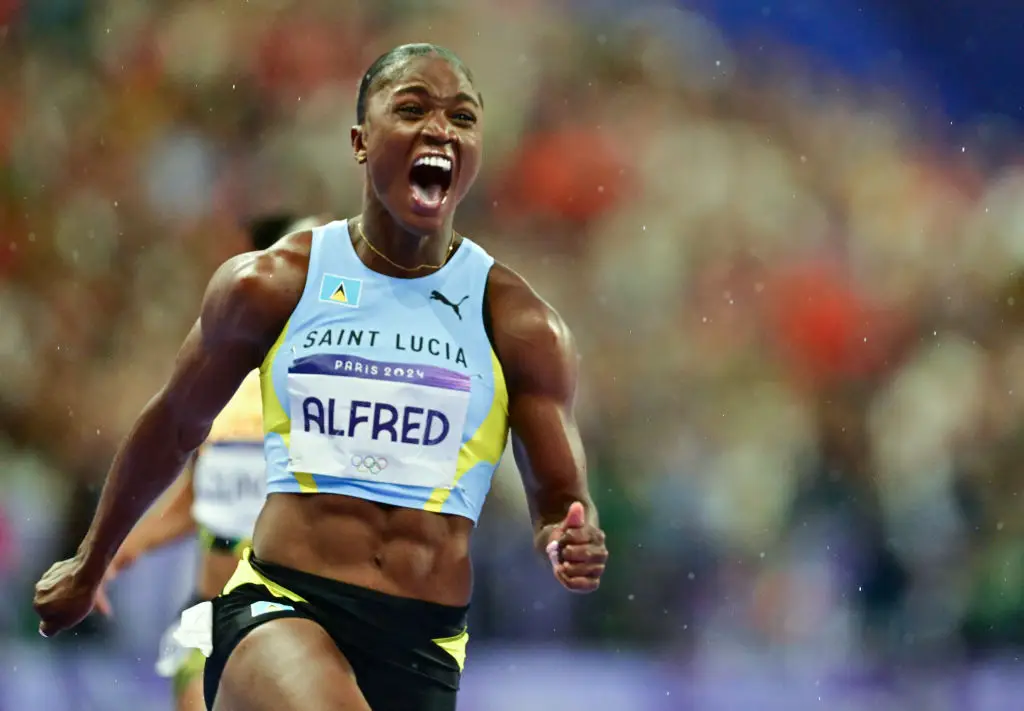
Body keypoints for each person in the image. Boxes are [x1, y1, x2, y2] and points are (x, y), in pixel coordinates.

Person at [34, 43, 608, 711]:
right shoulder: (275, 284)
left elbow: (559, 502)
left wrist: (571, 539)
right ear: (361, 142)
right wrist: (89, 560)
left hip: (423, 648)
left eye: (463, 117)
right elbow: (173, 426)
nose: (440, 130)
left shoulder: (519, 323)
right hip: (277, 609)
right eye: (413, 109)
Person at [92, 214, 322, 711]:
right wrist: (116, 551)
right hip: (207, 612)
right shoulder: (219, 386)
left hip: (293, 621)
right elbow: (195, 502)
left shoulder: (324, 393)